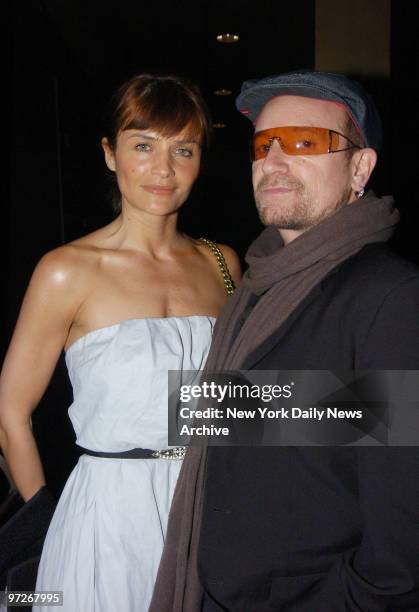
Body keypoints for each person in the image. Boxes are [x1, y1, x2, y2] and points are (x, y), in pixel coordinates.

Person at [149, 71, 419, 611]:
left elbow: (401, 556)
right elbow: (269, 429)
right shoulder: (255, 285)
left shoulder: (389, 295)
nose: (274, 160)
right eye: (262, 145)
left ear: (360, 168)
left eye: (305, 142)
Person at [0, 73, 240, 611]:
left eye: (183, 148)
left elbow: (233, 406)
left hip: (207, 506)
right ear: (110, 154)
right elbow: (9, 413)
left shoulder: (223, 263)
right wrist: (40, 522)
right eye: (143, 146)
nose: (163, 169)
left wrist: (372, 411)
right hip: (108, 515)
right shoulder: (66, 270)